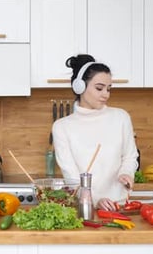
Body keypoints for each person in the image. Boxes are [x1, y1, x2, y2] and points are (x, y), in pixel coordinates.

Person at [52, 54, 139, 211]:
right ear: (80, 87)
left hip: (119, 206)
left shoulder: (121, 117)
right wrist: (95, 200)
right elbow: (71, 176)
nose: (106, 94)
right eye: (99, 88)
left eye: (109, 89)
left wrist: (127, 173)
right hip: (85, 208)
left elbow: (130, 156)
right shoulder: (62, 127)